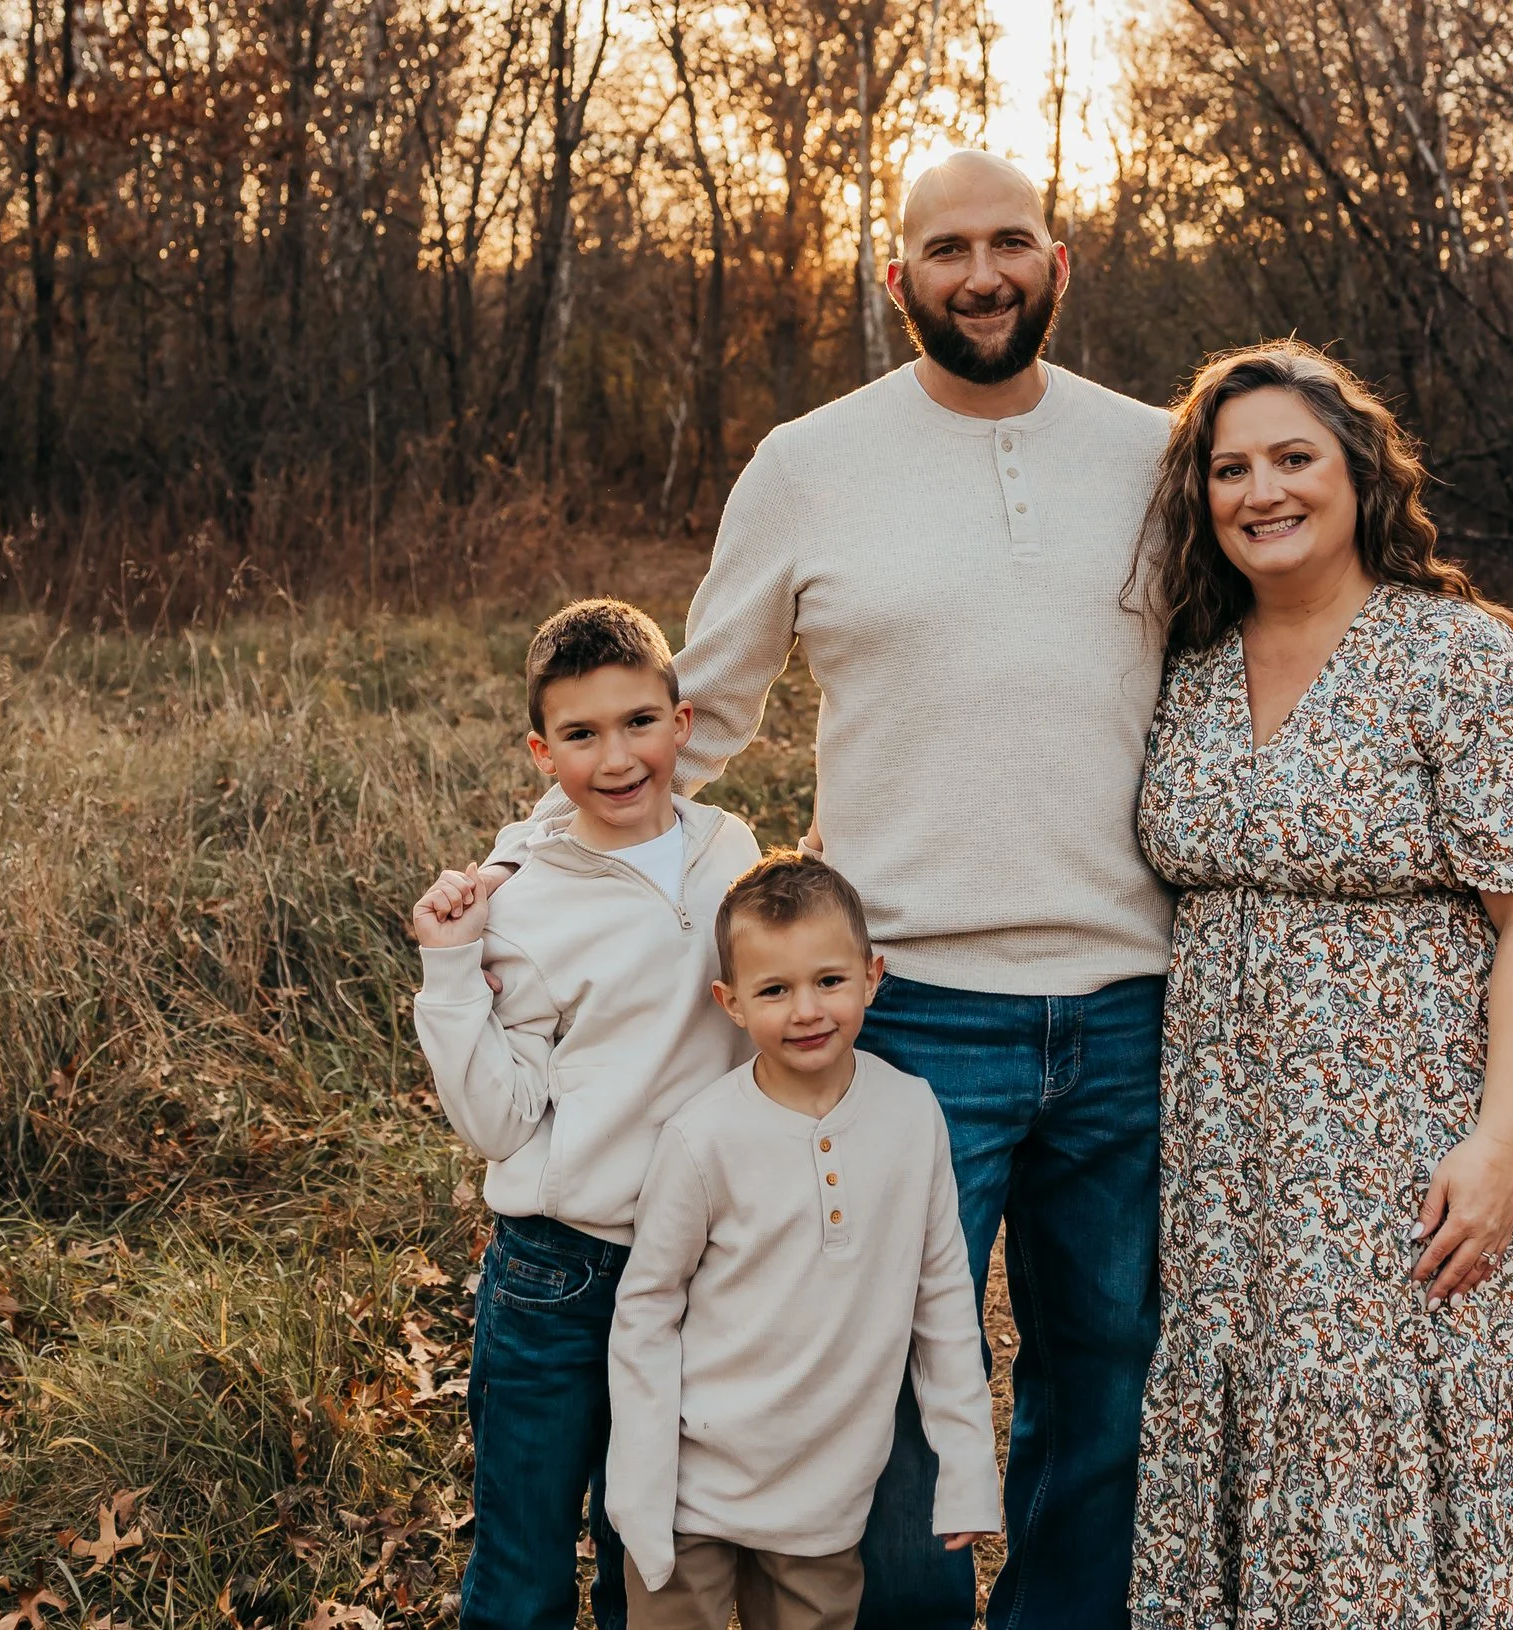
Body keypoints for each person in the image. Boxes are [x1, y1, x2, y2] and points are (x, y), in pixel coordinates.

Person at [486, 149, 1173, 1629]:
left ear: (1058, 262)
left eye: (1009, 242)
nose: (980, 272)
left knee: (1108, 1375)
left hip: (1136, 998)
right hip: (906, 1004)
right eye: (946, 249)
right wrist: (519, 867)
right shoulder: (808, 463)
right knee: (884, 1394)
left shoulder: (1159, 451)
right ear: (896, 279)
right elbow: (696, 712)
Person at [1126, 340, 1513, 1626]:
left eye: (1293, 457)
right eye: (1229, 468)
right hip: (1233, 1160)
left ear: (1357, 471)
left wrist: (1500, 1144)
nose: (1261, 491)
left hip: (1413, 1139)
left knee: (1402, 1415)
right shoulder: (1187, 666)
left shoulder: (1454, 656)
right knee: (1261, 1412)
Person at [409, 598, 762, 1630]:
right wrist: (449, 968)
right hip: (560, 1273)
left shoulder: (730, 848)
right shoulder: (519, 901)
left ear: (681, 722)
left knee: (649, 1560)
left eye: (638, 722)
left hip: (695, 1272)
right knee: (521, 1567)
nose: (616, 757)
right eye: (581, 734)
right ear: (542, 750)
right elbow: (501, 1120)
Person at [607, 852, 1000, 1629]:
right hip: (692, 1492)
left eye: (829, 980)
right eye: (775, 990)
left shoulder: (913, 1113)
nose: (808, 1010)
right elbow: (646, 1310)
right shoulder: (703, 1137)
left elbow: (944, 1298)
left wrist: (966, 1468)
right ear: (731, 1002)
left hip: (826, 1501)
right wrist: (642, 1487)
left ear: (872, 976)